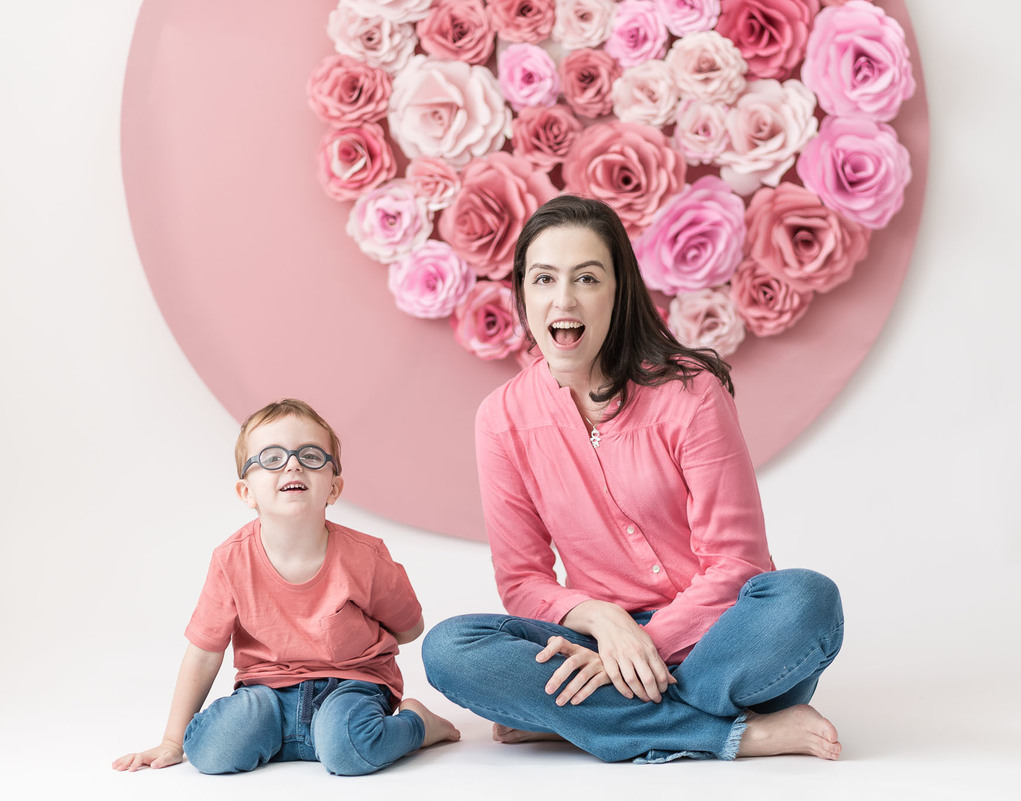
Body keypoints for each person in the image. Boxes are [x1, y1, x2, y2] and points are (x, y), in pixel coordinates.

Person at [422, 196, 845, 763]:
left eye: (587, 278)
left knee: (806, 600)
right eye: (544, 278)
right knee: (451, 648)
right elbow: (523, 581)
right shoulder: (501, 419)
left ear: (619, 291)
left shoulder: (691, 393)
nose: (563, 299)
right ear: (523, 291)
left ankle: (587, 721)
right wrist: (606, 622)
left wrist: (646, 644)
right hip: (599, 644)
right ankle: (735, 733)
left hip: (719, 640)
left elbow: (739, 563)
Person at [113, 399, 459, 775]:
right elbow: (203, 652)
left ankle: (418, 725)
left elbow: (410, 629)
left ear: (334, 487)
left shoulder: (366, 556)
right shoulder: (231, 560)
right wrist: (171, 741)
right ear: (247, 492)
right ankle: (298, 737)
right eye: (272, 458)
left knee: (347, 753)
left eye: (310, 456)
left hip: (350, 685)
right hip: (266, 693)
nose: (293, 464)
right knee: (210, 752)